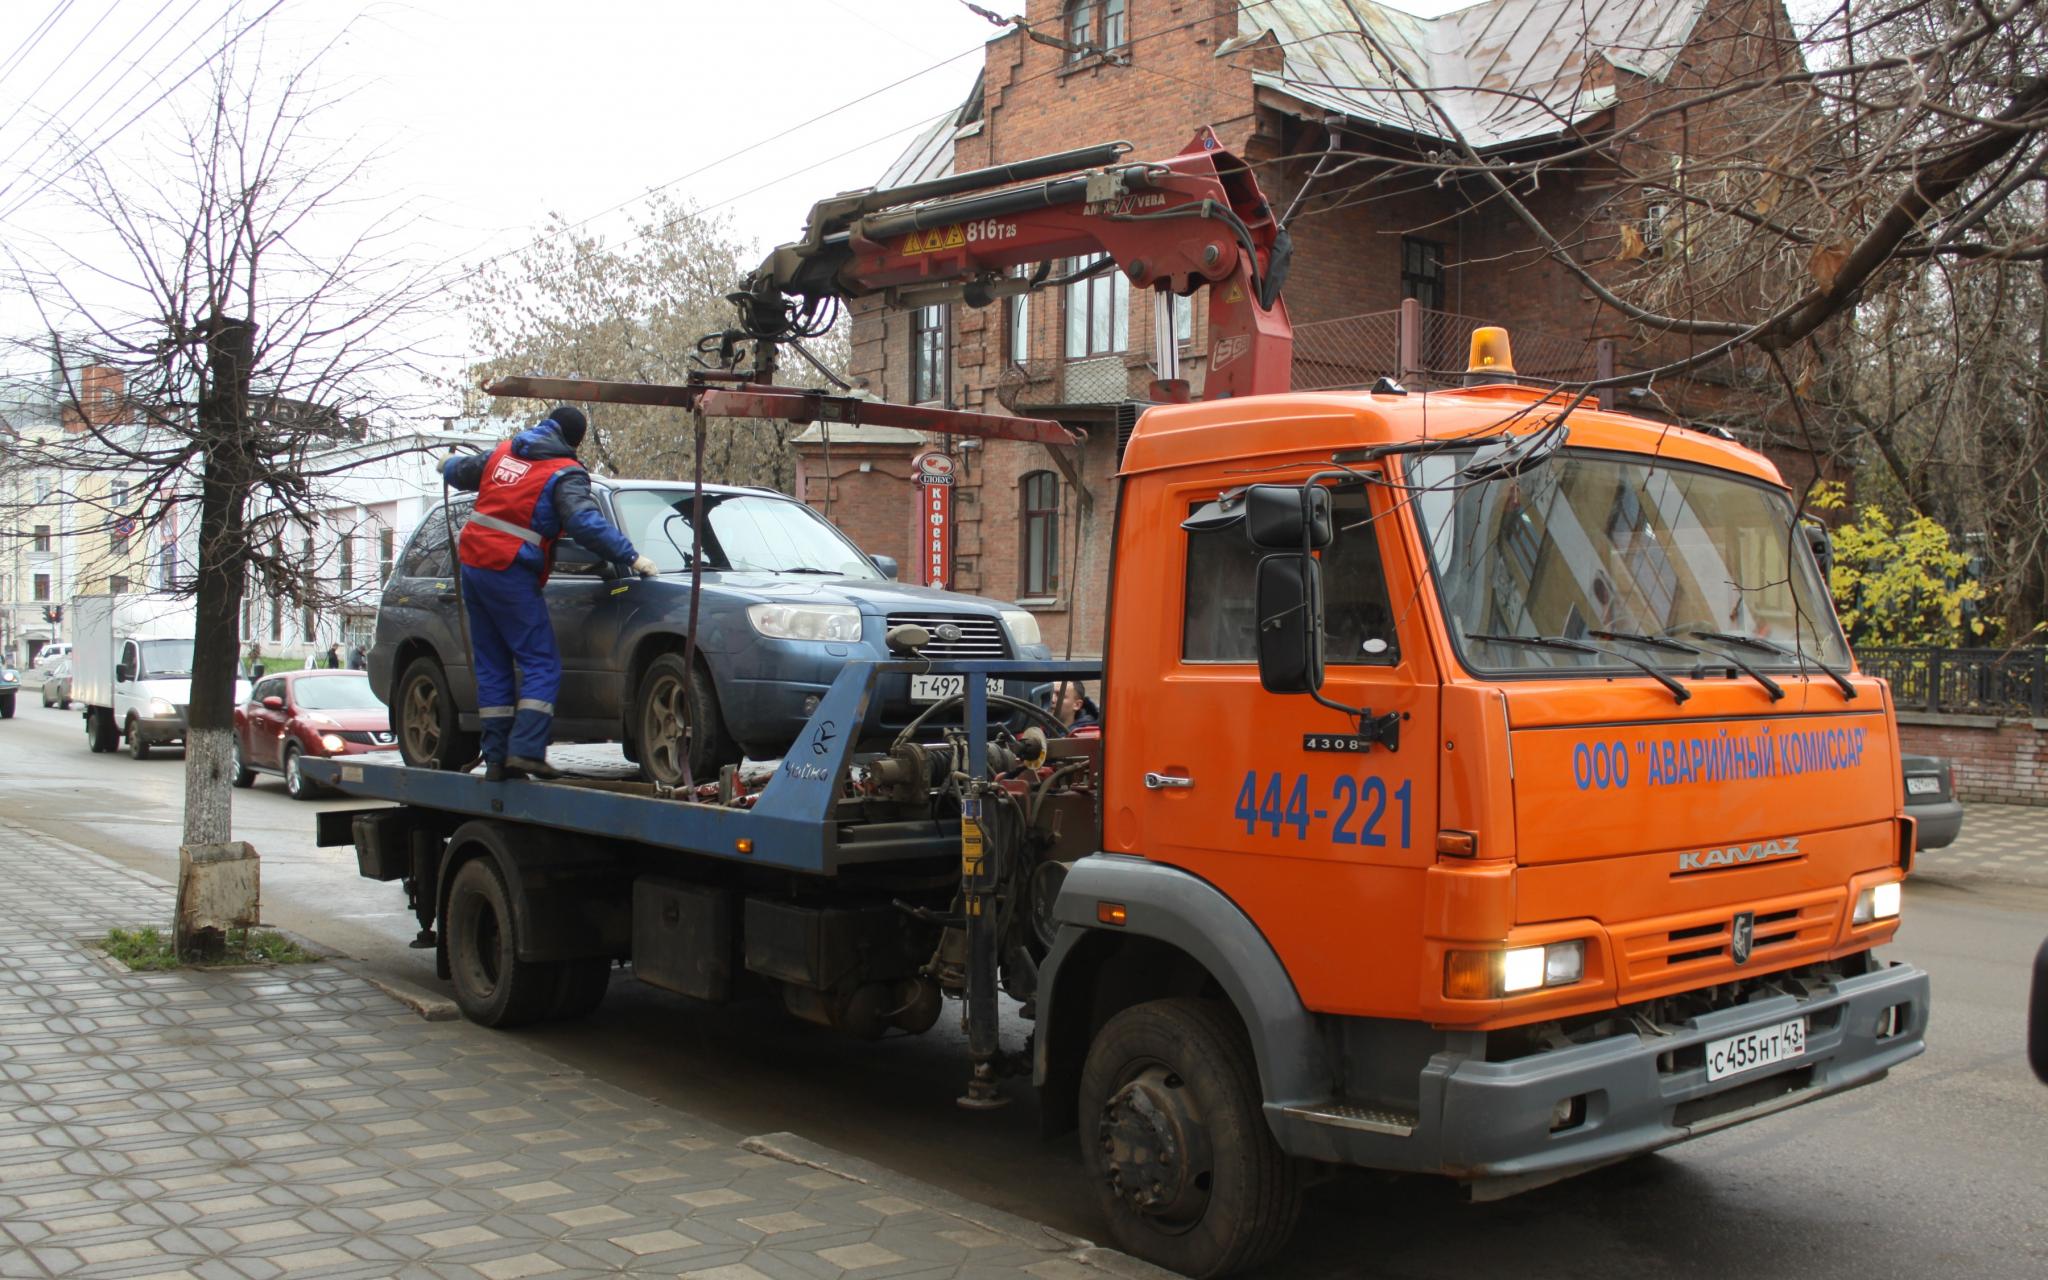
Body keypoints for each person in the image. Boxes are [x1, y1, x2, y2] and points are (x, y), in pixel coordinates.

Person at [441, 406, 655, 780]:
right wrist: (631, 556)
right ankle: (525, 750)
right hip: (509, 569)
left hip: (473, 566)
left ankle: (496, 760)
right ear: (575, 440)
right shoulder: (565, 472)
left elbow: (463, 471)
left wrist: (445, 464)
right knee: (541, 663)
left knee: (492, 665)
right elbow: (584, 523)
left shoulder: (506, 451)